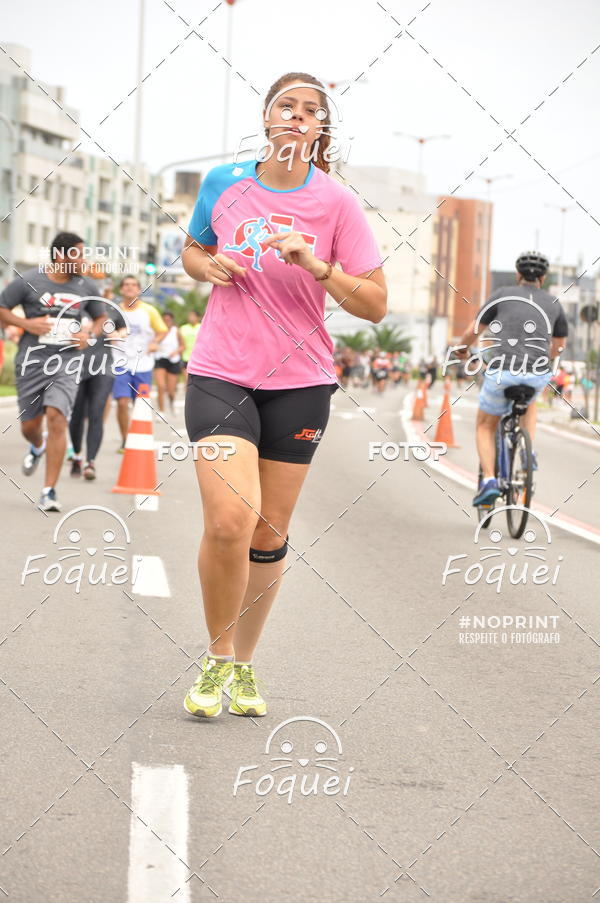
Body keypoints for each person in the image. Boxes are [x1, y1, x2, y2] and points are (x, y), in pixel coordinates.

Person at [181, 71, 386, 719]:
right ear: (267, 119)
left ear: (321, 129)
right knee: (228, 520)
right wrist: (204, 264)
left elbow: (378, 305)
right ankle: (216, 660)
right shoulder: (224, 183)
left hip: (300, 383)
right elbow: (192, 248)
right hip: (221, 371)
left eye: (311, 111)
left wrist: (317, 266)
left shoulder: (336, 204)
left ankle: (244, 664)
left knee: (269, 530)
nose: (298, 117)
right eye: (286, 106)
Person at [0, 232, 106, 511]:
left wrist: (89, 336)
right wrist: (28, 325)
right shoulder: (30, 280)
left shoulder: (86, 286)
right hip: (32, 361)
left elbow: (101, 317)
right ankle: (36, 446)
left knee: (57, 417)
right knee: (30, 427)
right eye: (79, 254)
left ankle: (49, 491)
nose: (83, 260)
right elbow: (2, 308)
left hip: (67, 363)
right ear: (61, 256)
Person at [457, 250, 568, 506]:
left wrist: (462, 349)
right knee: (529, 401)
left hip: (502, 371)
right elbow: (558, 347)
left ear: (518, 275)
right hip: (538, 372)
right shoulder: (554, 303)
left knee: (485, 425)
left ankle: (489, 482)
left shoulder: (501, 295)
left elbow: (474, 330)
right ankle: (527, 454)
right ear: (544, 277)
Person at [111, 275, 167, 450]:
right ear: (121, 289)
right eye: (126, 285)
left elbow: (162, 330)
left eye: (133, 285)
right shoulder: (113, 310)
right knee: (121, 401)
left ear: (138, 290)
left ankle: (137, 437)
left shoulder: (149, 311)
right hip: (120, 362)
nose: (129, 288)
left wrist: (154, 343)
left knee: (140, 405)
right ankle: (125, 439)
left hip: (142, 363)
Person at [68, 310, 115, 481]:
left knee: (96, 412)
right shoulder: (73, 311)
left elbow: (120, 334)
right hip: (76, 368)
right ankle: (77, 455)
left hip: (103, 368)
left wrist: (113, 332)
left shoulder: (110, 312)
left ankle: (91, 462)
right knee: (76, 416)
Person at [154, 310, 184, 413]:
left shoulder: (176, 331)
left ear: (172, 320)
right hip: (160, 359)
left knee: (171, 391)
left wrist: (176, 351)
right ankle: (161, 411)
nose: (167, 322)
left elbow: (183, 346)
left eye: (168, 320)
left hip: (173, 361)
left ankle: (172, 402)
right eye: (164, 320)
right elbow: (152, 342)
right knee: (161, 386)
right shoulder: (158, 331)